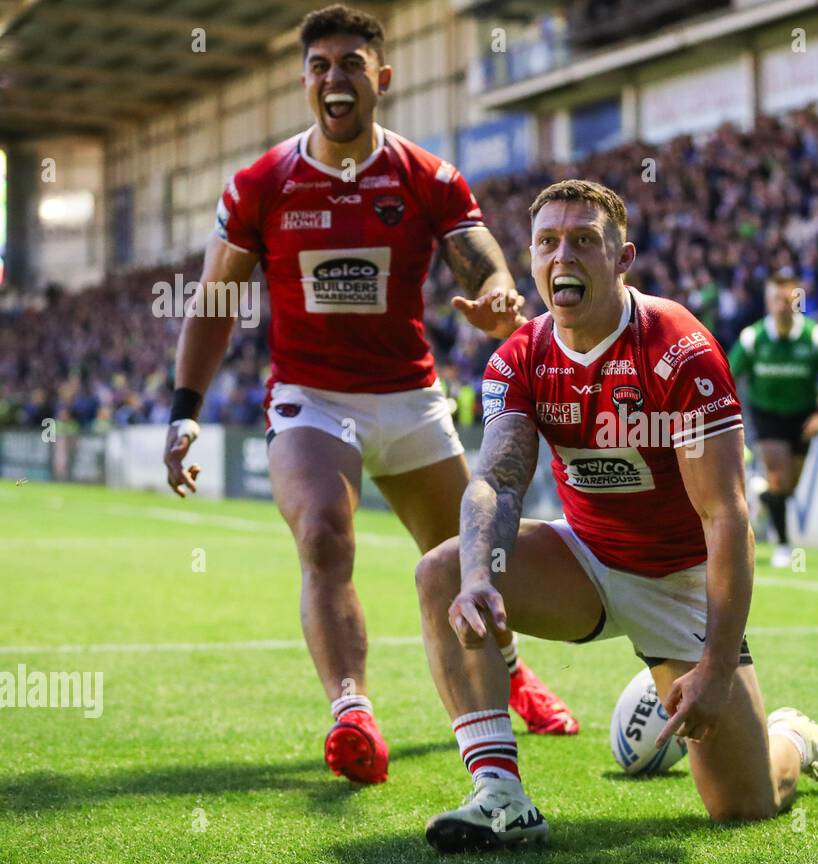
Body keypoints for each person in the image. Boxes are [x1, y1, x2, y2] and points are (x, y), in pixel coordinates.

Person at [161, 5, 578, 788]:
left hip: (412, 398)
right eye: (319, 66)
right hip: (312, 400)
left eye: (351, 63)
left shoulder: (425, 175)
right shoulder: (262, 183)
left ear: (381, 79)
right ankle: (351, 710)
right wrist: (185, 411)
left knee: (471, 557)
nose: (334, 78)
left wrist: (496, 295)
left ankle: (514, 674)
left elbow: (478, 255)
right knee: (324, 533)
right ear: (305, 83)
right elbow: (214, 303)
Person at [414, 180, 818, 852]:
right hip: (586, 561)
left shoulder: (680, 351)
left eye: (584, 241)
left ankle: (793, 737)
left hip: (678, 582)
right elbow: (498, 476)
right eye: (548, 243)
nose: (563, 257)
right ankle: (500, 795)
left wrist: (718, 668)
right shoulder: (519, 358)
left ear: (622, 257)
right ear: (530, 259)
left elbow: (725, 517)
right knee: (441, 572)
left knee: (743, 806)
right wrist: (477, 574)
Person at [727, 270, 818, 568]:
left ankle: (765, 498)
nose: (782, 304)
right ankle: (784, 545)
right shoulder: (753, 338)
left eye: (788, 298)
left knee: (789, 486)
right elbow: (728, 373)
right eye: (776, 299)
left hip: (803, 416)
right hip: (767, 415)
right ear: (768, 303)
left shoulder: (814, 337)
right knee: (779, 476)